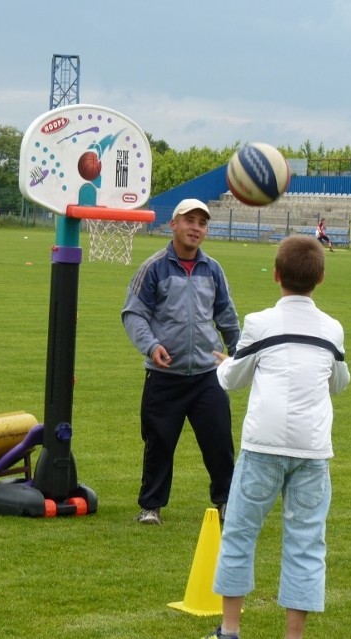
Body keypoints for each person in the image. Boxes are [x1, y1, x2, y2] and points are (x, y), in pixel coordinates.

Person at [204, 235, 351, 639]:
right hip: (312, 449)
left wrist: (227, 362)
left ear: (275, 275)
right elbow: (339, 381)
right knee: (305, 542)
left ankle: (230, 631)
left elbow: (233, 379)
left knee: (239, 533)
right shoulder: (332, 329)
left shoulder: (259, 323)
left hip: (262, 446)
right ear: (320, 278)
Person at [121, 198, 240, 526]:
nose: (196, 228)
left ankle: (226, 502)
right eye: (190, 220)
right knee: (158, 442)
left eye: (202, 223)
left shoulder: (212, 269)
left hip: (207, 374)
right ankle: (151, 507)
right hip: (164, 374)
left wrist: (240, 354)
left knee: (219, 443)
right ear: (173, 224)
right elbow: (134, 314)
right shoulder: (154, 267)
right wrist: (151, 346)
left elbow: (226, 317)